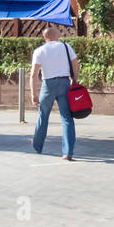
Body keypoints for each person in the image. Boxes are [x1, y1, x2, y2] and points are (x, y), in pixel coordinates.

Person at [29, 25, 79, 161]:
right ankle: (68, 152)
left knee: (43, 116)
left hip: (48, 85)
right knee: (67, 118)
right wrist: (74, 80)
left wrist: (33, 94)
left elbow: (34, 74)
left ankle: (37, 146)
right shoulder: (66, 47)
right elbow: (75, 65)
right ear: (55, 35)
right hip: (64, 83)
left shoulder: (39, 50)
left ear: (45, 38)